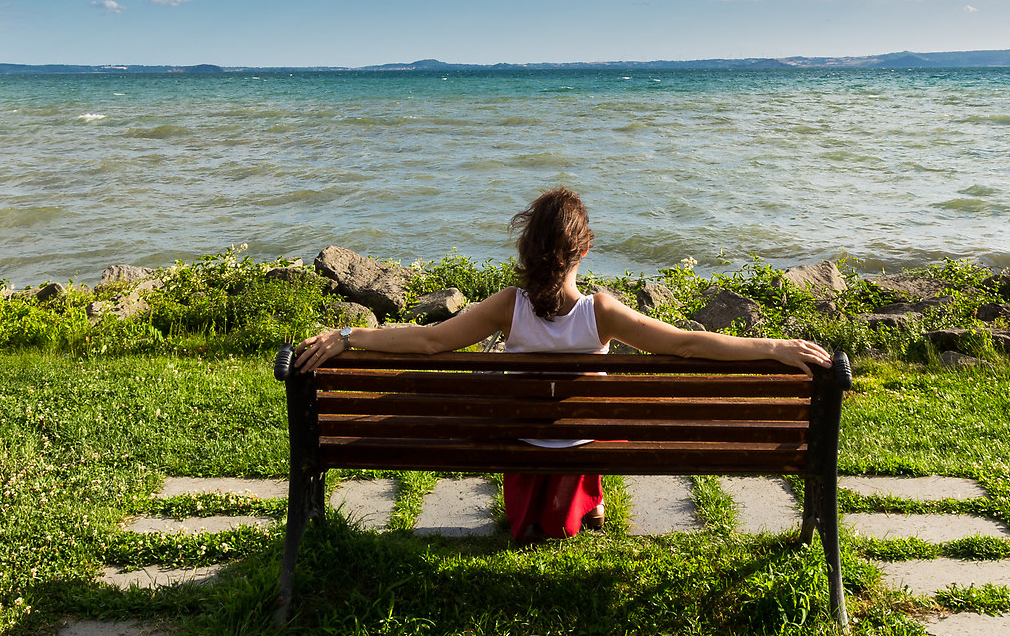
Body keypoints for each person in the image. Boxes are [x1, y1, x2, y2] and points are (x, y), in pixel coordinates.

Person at [288, 186, 831, 543]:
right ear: (584, 250)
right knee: (592, 421)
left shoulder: (508, 305)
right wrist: (774, 346)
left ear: (527, 249)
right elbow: (687, 345)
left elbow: (430, 341)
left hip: (519, 447)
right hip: (581, 443)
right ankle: (584, 502)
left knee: (546, 420)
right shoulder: (604, 312)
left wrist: (348, 335)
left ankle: (546, 507)